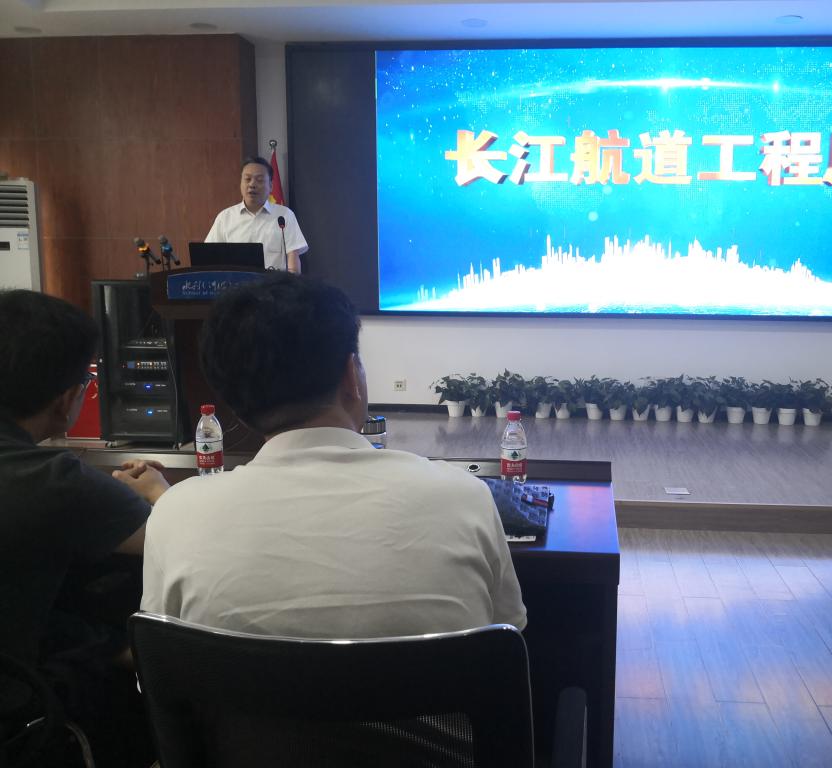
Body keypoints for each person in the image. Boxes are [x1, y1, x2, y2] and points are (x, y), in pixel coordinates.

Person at [141, 273, 526, 639]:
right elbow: (509, 634)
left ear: (234, 406)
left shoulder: (174, 515)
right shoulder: (465, 499)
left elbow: (158, 658)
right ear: (350, 377)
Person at [0, 289, 168, 764]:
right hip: (21, 715)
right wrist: (158, 491)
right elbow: (175, 539)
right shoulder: (53, 481)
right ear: (68, 399)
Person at [205, 156, 309, 273]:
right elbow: (209, 258)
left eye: (259, 180)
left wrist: (290, 283)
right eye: (247, 179)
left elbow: (293, 264)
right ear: (240, 184)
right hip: (236, 284)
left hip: (273, 284)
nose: (252, 184)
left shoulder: (284, 216)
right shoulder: (225, 218)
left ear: (271, 186)